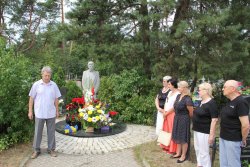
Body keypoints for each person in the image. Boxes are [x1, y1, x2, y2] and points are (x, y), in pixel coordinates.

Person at [28, 66, 61, 159]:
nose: (47, 77)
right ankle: (36, 150)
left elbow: (56, 99)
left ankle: (51, 149)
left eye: (49, 76)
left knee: (51, 132)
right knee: (38, 132)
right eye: (45, 75)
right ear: (42, 74)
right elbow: (31, 98)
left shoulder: (54, 85)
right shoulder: (36, 84)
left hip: (51, 113)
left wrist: (57, 111)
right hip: (39, 113)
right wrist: (30, 111)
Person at [220, 80, 249, 167]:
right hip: (223, 137)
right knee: (224, 163)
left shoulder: (241, 102)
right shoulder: (230, 101)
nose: (222, 89)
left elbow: (246, 125)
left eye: (224, 87)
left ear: (232, 89)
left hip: (233, 139)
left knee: (233, 164)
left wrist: (243, 139)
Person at [192, 82, 218, 167]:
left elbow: (214, 120)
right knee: (197, 149)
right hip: (197, 129)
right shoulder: (200, 101)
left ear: (206, 91)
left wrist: (211, 134)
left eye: (199, 90)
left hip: (204, 131)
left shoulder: (212, 103)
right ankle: (199, 164)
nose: (198, 92)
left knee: (204, 152)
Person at [172, 81, 194, 163]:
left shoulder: (188, 99)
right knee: (178, 135)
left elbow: (191, 113)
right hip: (177, 117)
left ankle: (183, 155)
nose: (178, 88)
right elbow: (175, 106)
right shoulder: (178, 96)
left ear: (184, 88)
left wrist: (187, 119)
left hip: (184, 119)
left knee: (183, 137)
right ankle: (178, 152)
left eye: (179, 87)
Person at [160, 78, 180, 154]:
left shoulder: (177, 94)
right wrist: (164, 112)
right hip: (166, 113)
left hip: (172, 114)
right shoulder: (169, 93)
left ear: (173, 85)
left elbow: (174, 106)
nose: (168, 86)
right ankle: (166, 146)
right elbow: (166, 102)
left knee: (171, 131)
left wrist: (167, 113)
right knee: (166, 130)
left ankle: (172, 148)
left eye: (169, 84)